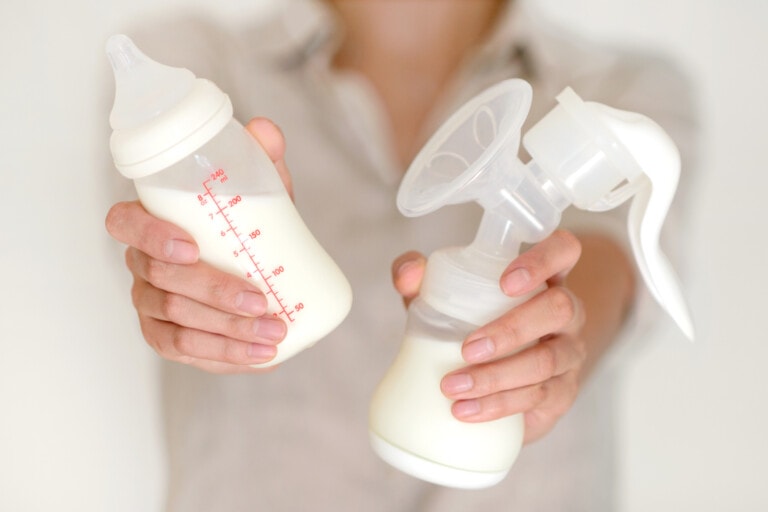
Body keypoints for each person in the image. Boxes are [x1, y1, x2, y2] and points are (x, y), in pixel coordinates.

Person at [105, 0, 696, 510]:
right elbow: (167, 253)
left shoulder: (624, 90)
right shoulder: (193, 70)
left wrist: (555, 338)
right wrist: (186, 281)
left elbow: (611, 261)